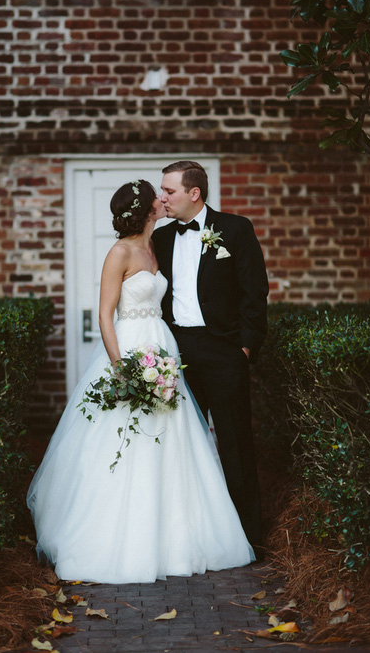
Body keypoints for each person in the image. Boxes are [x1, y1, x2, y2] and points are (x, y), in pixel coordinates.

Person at [27, 179, 255, 584]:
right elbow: (104, 315)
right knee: (126, 442)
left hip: (165, 349)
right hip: (130, 351)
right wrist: (123, 369)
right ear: (148, 207)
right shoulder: (119, 252)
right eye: (160, 195)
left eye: (169, 191)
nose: (165, 199)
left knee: (175, 440)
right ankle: (123, 539)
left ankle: (179, 537)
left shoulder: (158, 245)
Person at [152, 161, 269, 550]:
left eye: (169, 191)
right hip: (177, 351)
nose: (162, 197)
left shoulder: (235, 230)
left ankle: (247, 537)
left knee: (234, 444)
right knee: (182, 445)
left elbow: (255, 293)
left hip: (224, 351)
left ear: (194, 193)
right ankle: (188, 536)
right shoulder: (162, 238)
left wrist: (244, 348)